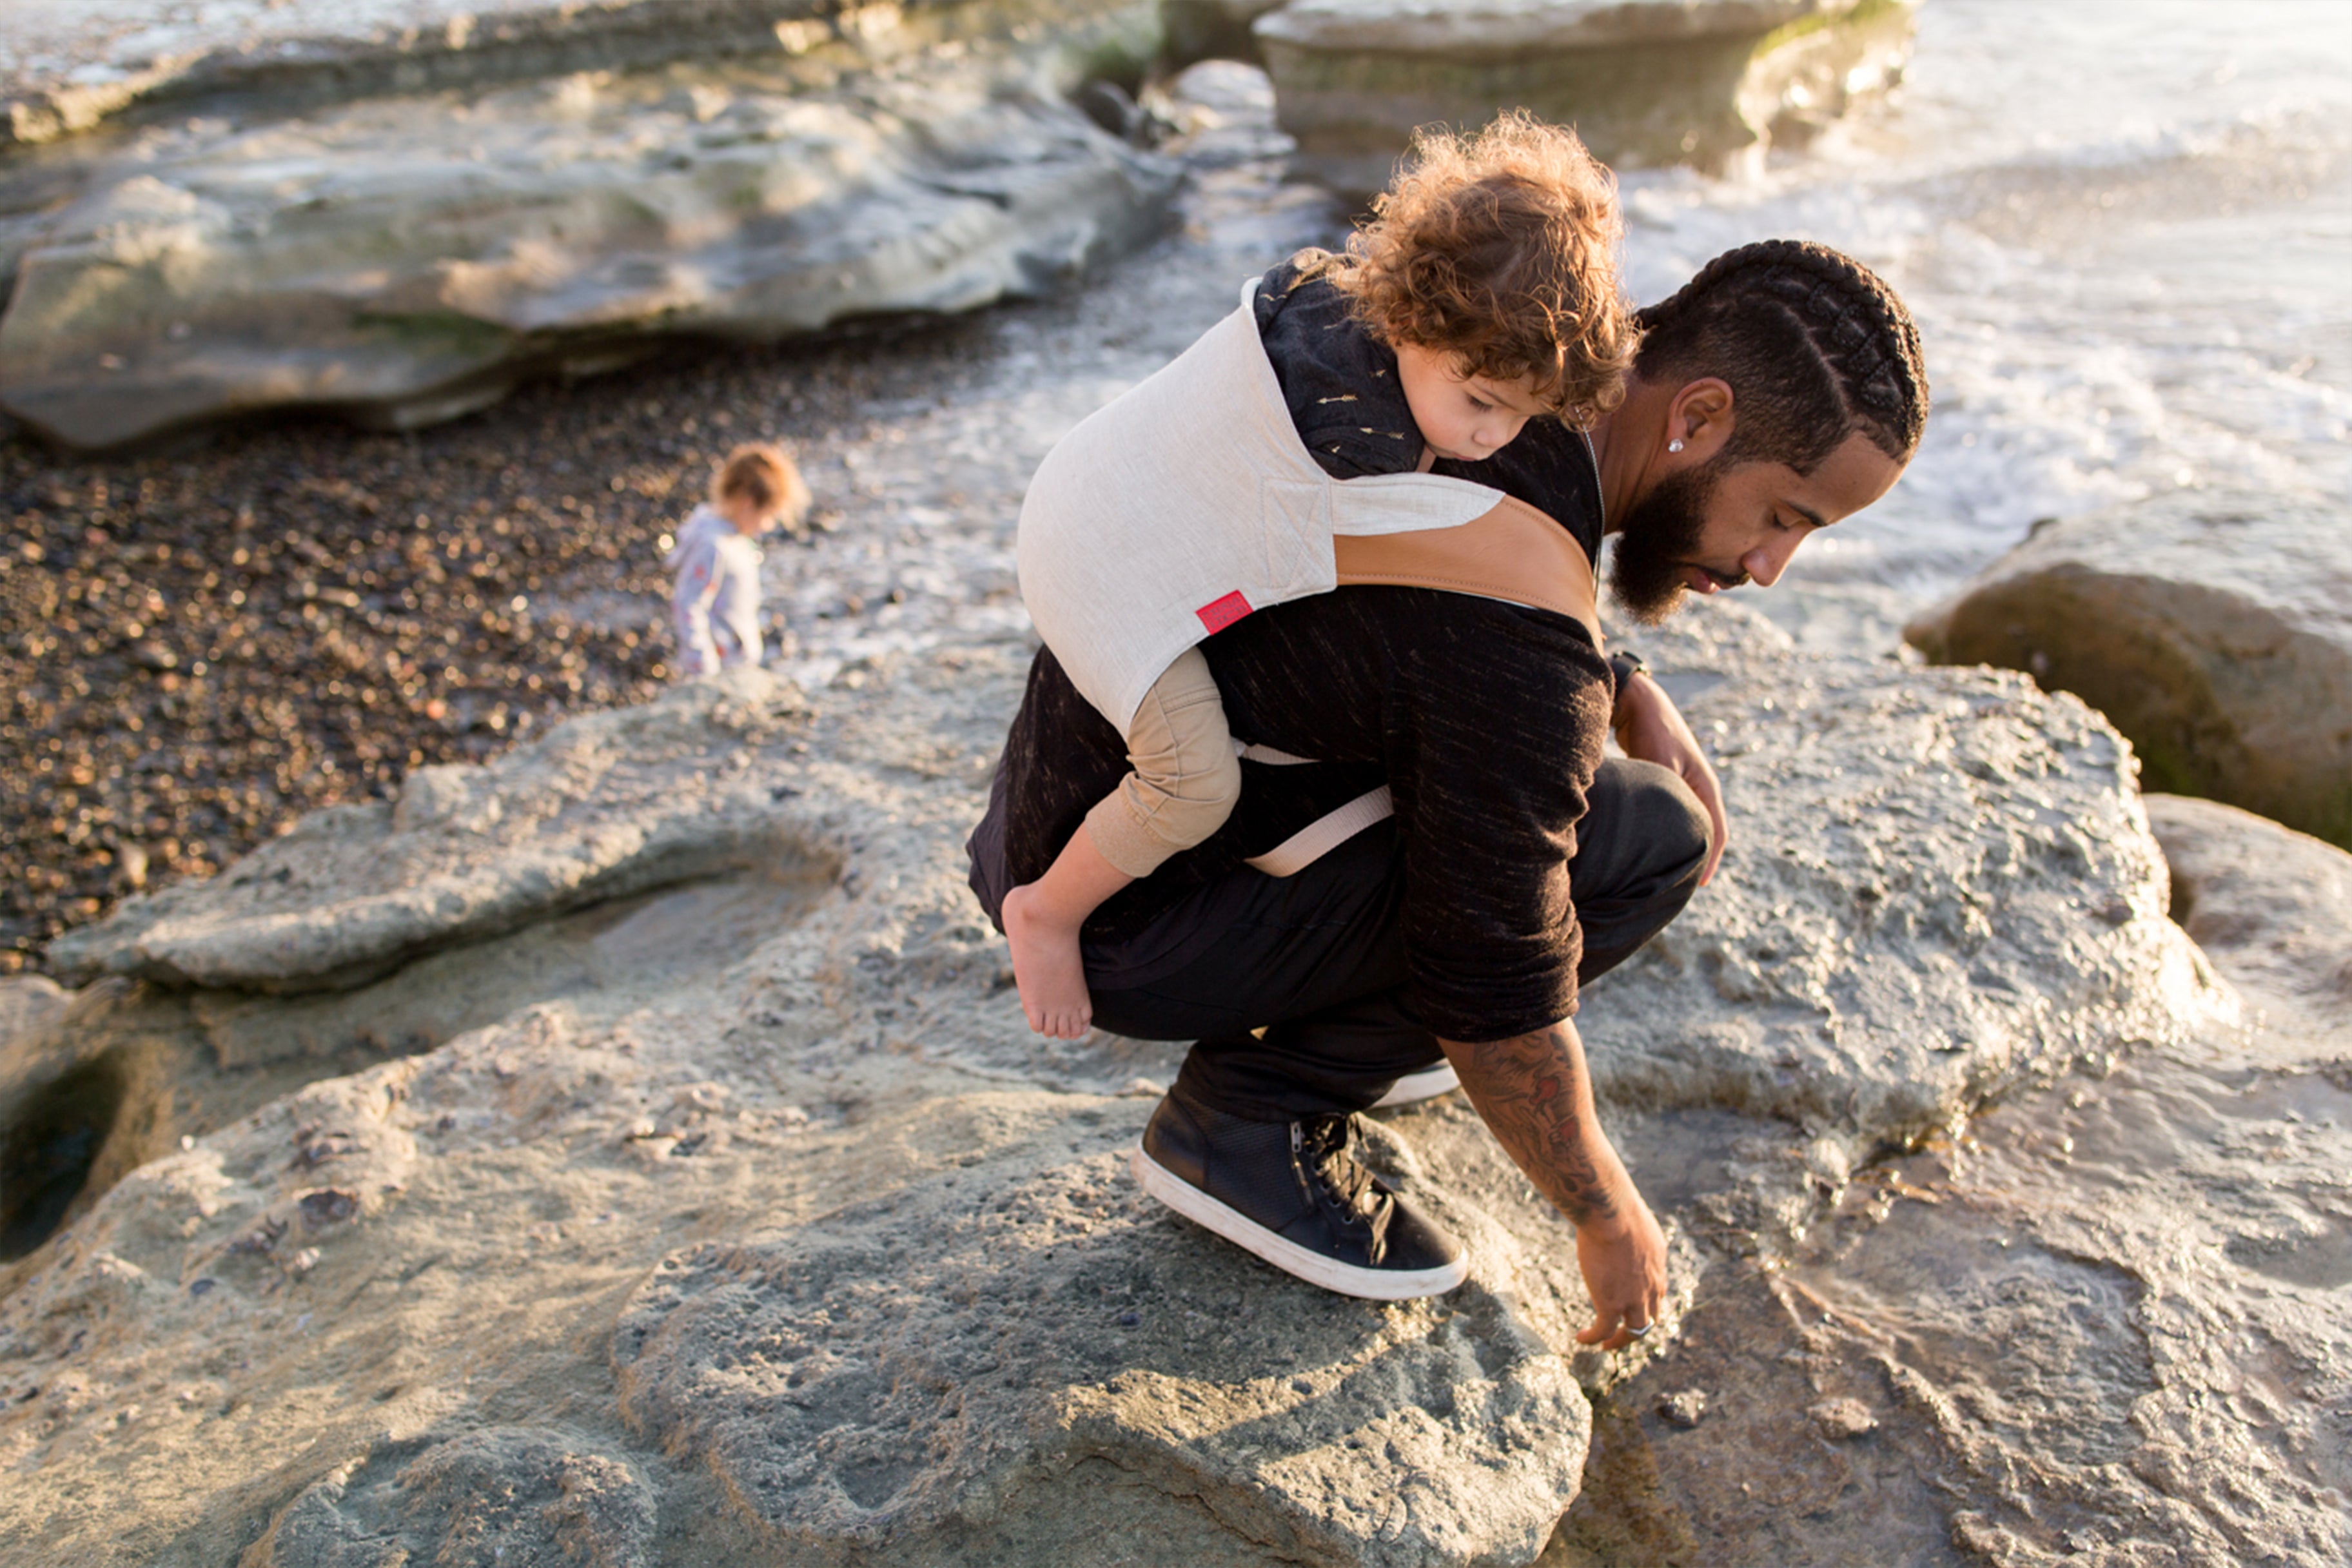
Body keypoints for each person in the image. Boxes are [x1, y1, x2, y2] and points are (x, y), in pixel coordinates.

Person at [966, 239, 1930, 1339]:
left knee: (1529, 794)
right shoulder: (1514, 650)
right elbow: (1495, 983)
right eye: (1784, 516)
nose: (1769, 568)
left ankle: (1338, 1034)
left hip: (1059, 814)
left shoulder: (1467, 360)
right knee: (1644, 835)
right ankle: (1247, 1116)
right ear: (1697, 417)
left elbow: (1387, 605)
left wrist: (1619, 680)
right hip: (1130, 922)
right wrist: (1603, 1214)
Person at [1003, 112, 1635, 1042]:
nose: (1494, 439)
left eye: (1525, 416)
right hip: (1096, 568)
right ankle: (1047, 912)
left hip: (1090, 483)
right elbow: (1436, 570)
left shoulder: (1334, 292)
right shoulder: (1360, 442)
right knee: (1191, 784)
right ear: (1419, 315)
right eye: (1481, 404)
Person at [667, 442, 810, 678]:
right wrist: (704, 669)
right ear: (747, 503)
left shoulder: (736, 539)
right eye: (769, 515)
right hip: (718, 670)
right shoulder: (713, 546)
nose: (769, 526)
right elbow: (687, 605)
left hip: (736, 662)